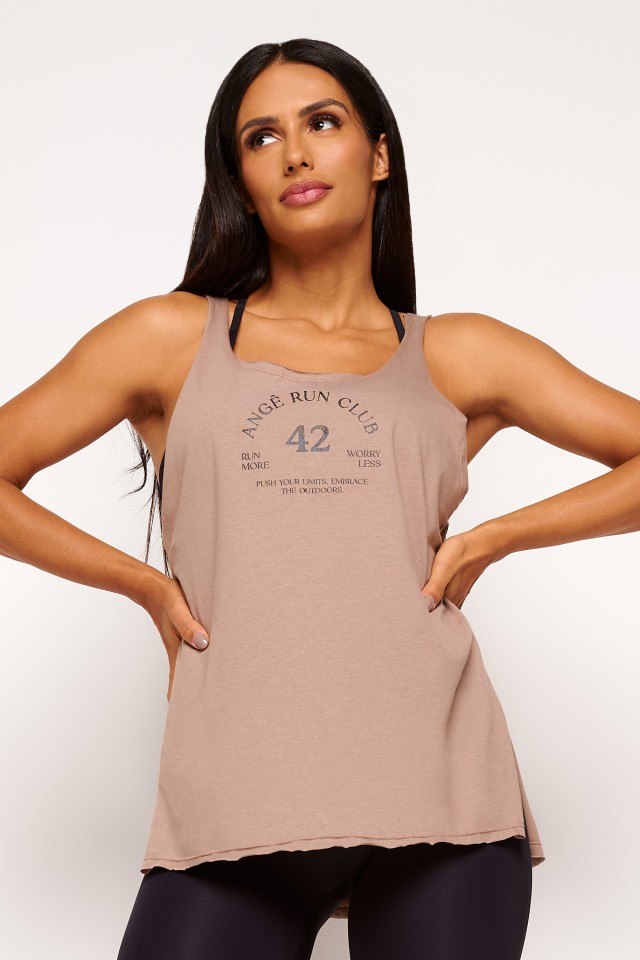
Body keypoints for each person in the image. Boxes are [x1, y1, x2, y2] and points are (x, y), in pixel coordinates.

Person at [1, 38, 638, 960]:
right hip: (231, 803)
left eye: (322, 123)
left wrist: (497, 536)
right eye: (262, 138)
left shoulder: (459, 352)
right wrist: (145, 586)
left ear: (378, 155)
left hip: (443, 800)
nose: (295, 153)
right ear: (242, 182)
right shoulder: (170, 338)